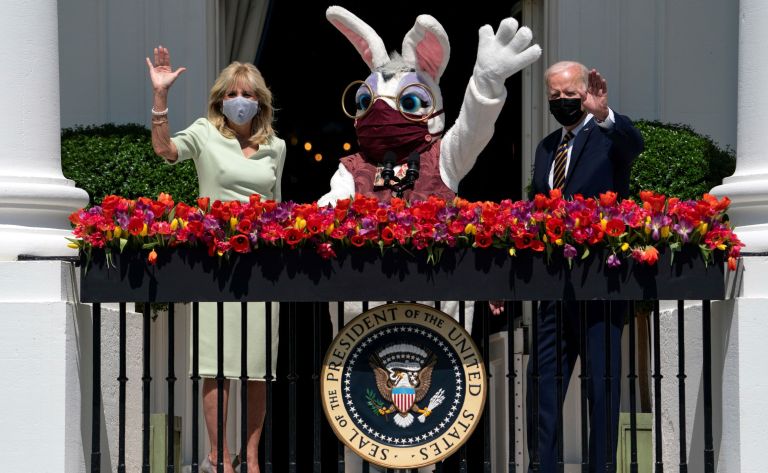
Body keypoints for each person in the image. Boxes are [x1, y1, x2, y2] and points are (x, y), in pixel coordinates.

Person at [492, 61, 643, 473]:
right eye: (554, 96)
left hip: (599, 286)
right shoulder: (545, 149)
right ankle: (545, 466)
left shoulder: (608, 137)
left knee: (602, 385)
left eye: (569, 95)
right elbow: (535, 213)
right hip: (553, 288)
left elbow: (634, 144)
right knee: (542, 383)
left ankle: (601, 467)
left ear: (586, 92)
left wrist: (604, 115)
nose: (561, 102)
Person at [146, 46, 285, 473]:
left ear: (259, 101)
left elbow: (278, 204)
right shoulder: (207, 132)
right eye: (231, 93)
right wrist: (160, 99)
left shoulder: (274, 146)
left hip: (262, 263)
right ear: (220, 98)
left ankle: (253, 458)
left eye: (246, 93)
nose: (239, 100)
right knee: (217, 363)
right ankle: (219, 456)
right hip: (217, 261)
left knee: (257, 368)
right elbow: (165, 150)